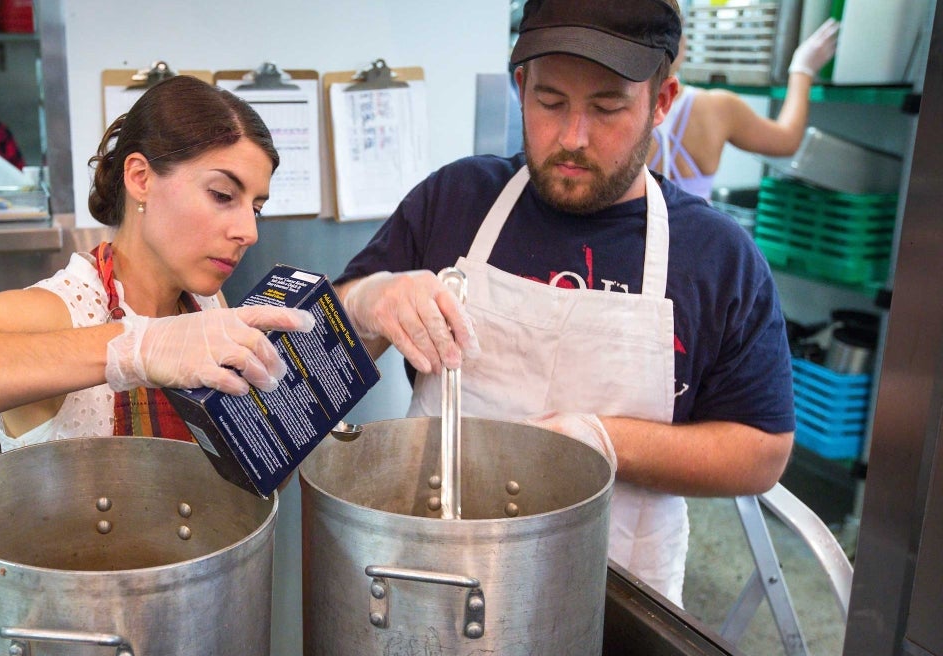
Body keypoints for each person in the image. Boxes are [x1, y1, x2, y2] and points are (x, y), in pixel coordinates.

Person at [336, 0, 794, 605]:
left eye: (607, 108)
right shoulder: (456, 200)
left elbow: (760, 453)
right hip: (438, 576)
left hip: (617, 604)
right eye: (550, 103)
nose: (573, 138)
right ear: (521, 86)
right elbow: (314, 364)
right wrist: (364, 302)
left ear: (662, 101)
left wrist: (603, 441)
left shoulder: (718, 258)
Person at [0, 75, 315, 450]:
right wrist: (134, 349)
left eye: (254, 208)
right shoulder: (59, 310)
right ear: (140, 178)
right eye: (222, 195)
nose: (248, 232)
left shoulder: (207, 304)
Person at [647, 16, 840, 200]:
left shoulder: (627, 108)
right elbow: (787, 139)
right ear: (679, 44)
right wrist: (802, 69)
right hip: (697, 232)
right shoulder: (717, 108)